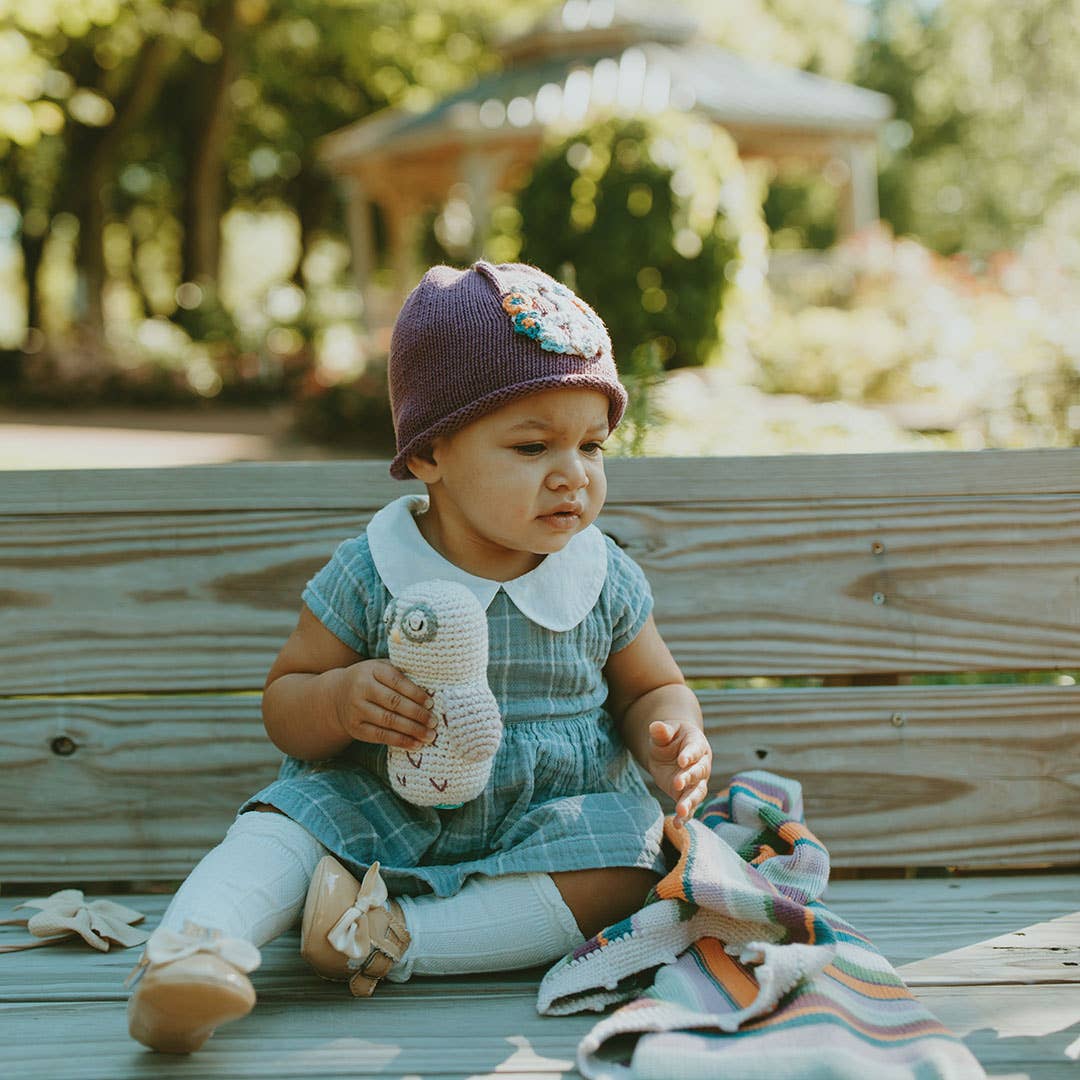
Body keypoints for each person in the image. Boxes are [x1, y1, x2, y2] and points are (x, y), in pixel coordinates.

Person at [125, 260, 713, 1054]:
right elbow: (285, 702)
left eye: (593, 446)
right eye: (534, 445)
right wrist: (336, 701)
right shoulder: (376, 569)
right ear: (432, 453)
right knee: (282, 826)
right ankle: (191, 954)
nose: (572, 474)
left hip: (548, 822)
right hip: (380, 802)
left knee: (632, 865)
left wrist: (669, 731)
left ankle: (386, 938)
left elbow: (653, 687)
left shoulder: (597, 573)